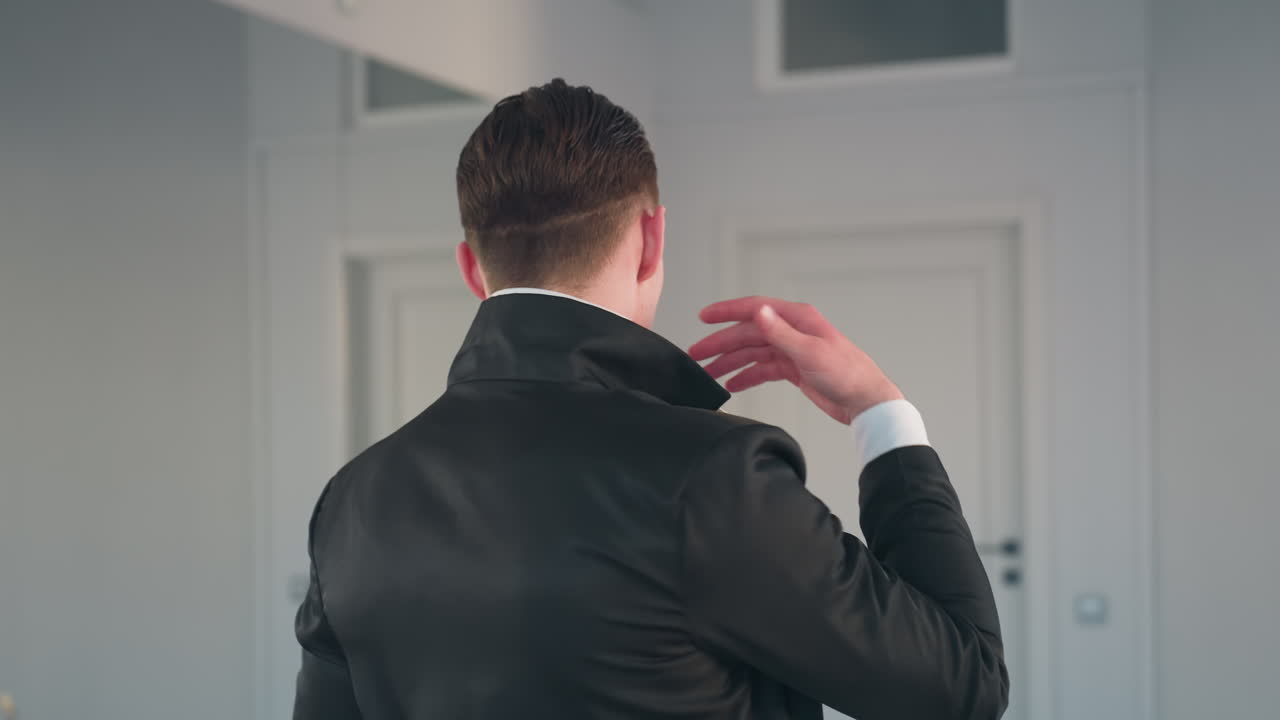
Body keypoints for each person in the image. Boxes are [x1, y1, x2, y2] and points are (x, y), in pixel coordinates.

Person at [293, 79, 1008, 720]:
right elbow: (959, 685)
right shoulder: (711, 482)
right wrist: (881, 414)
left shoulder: (352, 502)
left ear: (472, 268)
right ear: (650, 239)